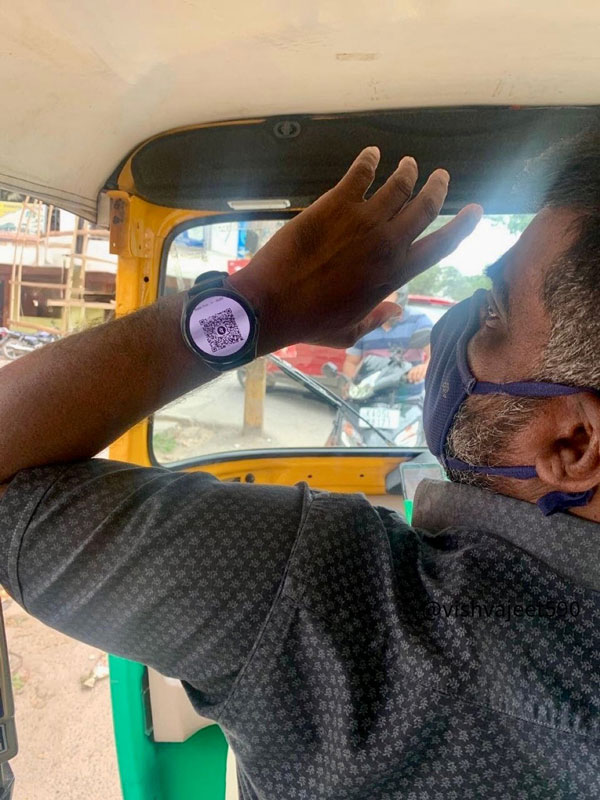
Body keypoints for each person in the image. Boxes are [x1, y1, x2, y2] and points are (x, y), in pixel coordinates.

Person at [1, 138, 600, 798]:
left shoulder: (334, 599)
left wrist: (260, 303)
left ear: (574, 445)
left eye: (492, 313)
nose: (454, 330)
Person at [341, 286, 432, 395]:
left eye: (386, 293)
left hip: (408, 396)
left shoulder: (418, 320)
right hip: (369, 395)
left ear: (401, 297)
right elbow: (351, 362)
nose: (380, 298)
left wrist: (423, 368)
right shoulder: (365, 323)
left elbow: (435, 354)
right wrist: (351, 385)